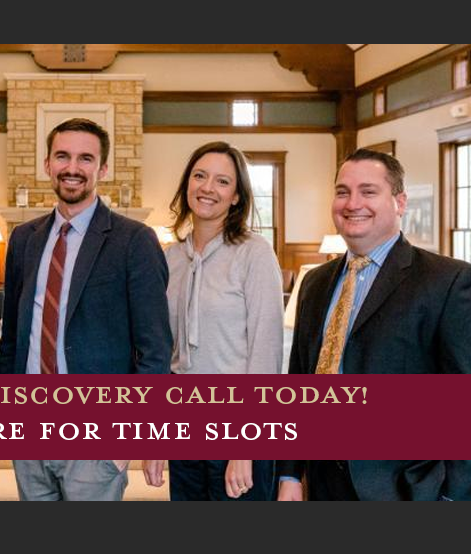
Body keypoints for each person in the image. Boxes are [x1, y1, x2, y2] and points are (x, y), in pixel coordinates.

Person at [279, 151, 471, 502]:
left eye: (368, 192)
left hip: (406, 488)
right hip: (321, 482)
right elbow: (299, 381)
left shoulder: (448, 281)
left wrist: (452, 497)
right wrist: (290, 473)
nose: (353, 203)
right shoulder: (316, 283)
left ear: (399, 202)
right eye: (342, 191)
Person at [0, 118, 172, 501]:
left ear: (102, 169)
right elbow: (12, 338)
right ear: (47, 164)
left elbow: (155, 349)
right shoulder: (24, 239)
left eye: (85, 158)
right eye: (62, 156)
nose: (72, 168)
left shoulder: (134, 241)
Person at [166, 142, 284, 500]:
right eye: (199, 176)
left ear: (236, 196)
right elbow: (160, 350)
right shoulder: (170, 258)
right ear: (187, 184)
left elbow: (266, 353)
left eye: (221, 181)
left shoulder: (254, 253)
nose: (207, 188)